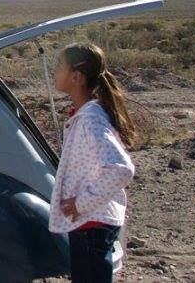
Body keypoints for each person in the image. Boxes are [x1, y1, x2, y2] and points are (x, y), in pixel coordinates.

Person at [49, 42, 136, 283]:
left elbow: (122, 169)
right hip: (90, 222)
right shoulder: (86, 115)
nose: (54, 71)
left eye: (59, 66)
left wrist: (81, 203)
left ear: (76, 77)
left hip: (92, 223)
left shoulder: (91, 120)